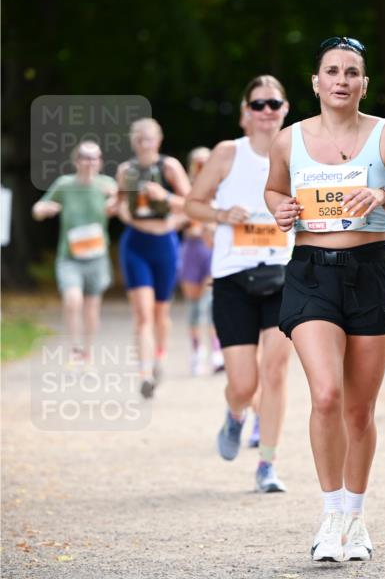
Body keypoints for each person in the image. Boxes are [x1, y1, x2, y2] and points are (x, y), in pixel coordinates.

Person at [265, 37, 385, 562]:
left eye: (351, 72)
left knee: (359, 410)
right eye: (331, 71)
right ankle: (331, 512)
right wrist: (280, 210)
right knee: (327, 396)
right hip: (311, 273)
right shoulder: (289, 140)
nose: (341, 79)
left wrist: (384, 196)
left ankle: (356, 517)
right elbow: (273, 191)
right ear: (315, 83)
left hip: (371, 271)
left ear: (364, 83)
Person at [185, 76, 293, 494]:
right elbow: (192, 203)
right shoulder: (228, 153)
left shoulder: (299, 152)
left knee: (277, 371)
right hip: (233, 279)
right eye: (259, 103)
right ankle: (235, 413)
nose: (267, 110)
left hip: (283, 274)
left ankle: (268, 463)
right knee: (245, 383)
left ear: (285, 109)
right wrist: (219, 214)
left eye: (274, 103)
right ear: (246, 112)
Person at [117, 118, 191, 398]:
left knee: (161, 312)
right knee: (143, 313)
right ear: (133, 141)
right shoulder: (126, 170)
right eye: (139, 139)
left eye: (149, 138)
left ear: (158, 140)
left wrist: (170, 216)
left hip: (165, 244)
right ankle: (144, 372)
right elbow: (122, 205)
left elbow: (192, 202)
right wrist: (126, 215)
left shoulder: (169, 167)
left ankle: (159, 357)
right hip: (135, 244)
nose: (144, 144)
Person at [32, 140, 117, 362]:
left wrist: (115, 202)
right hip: (70, 256)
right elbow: (38, 208)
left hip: (97, 255)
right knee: (72, 300)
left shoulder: (107, 184)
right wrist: (45, 210)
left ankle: (87, 351)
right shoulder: (65, 184)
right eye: (85, 158)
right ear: (76, 161)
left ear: (100, 162)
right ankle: (74, 347)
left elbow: (124, 206)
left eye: (94, 158)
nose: (90, 162)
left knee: (91, 307)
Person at [178, 146, 224, 375]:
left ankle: (217, 353)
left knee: (212, 303)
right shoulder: (186, 191)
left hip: (213, 251)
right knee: (194, 307)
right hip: (191, 251)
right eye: (197, 163)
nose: (201, 166)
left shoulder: (222, 189)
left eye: (206, 162)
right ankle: (197, 353)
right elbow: (175, 219)